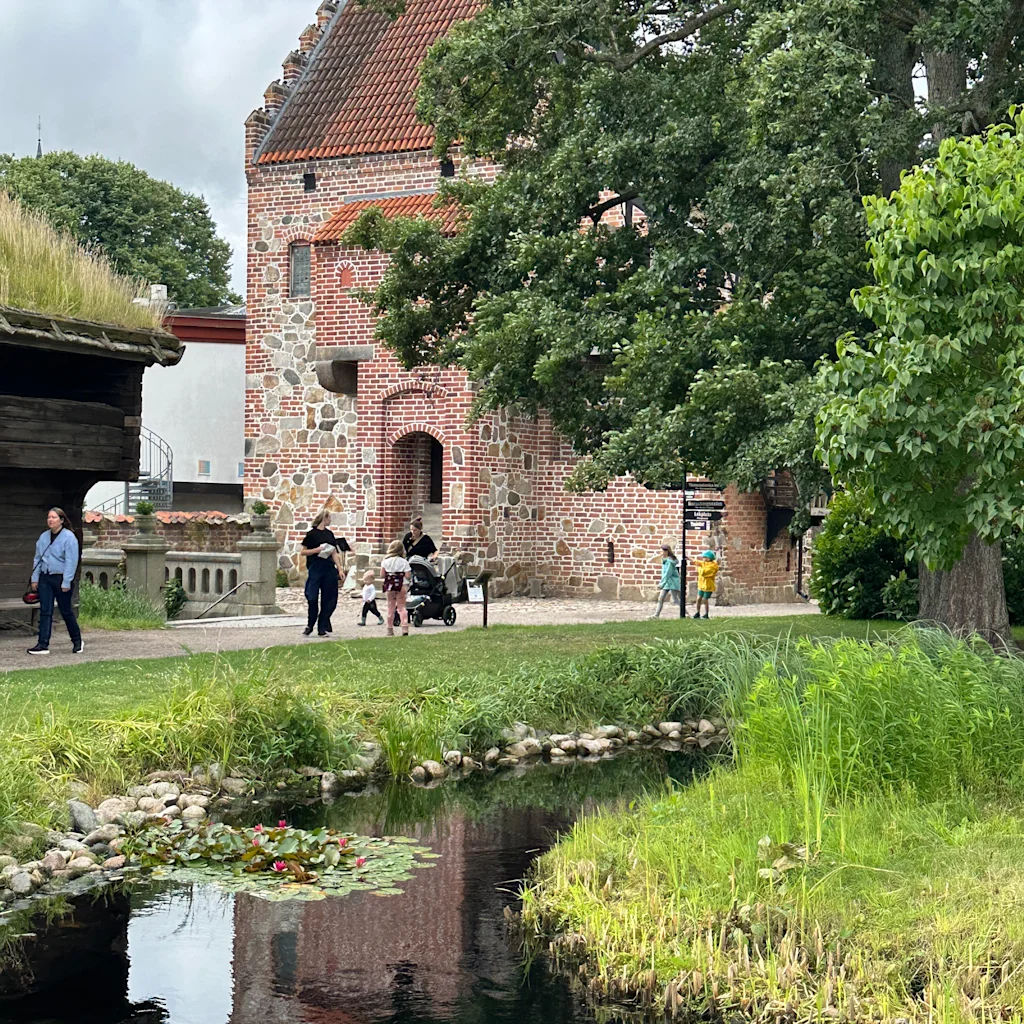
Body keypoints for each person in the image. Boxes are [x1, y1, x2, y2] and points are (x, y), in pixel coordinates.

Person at [27, 507, 83, 655]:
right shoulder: (43, 537)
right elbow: (37, 558)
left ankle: (77, 641)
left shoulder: (69, 537)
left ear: (62, 520)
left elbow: (72, 561)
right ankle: (42, 644)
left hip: (61, 577)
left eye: (54, 517)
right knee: (45, 611)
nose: (50, 520)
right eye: (49, 517)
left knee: (66, 611)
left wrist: (66, 581)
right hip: (45, 577)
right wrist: (35, 578)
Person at [299, 511, 346, 637]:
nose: (330, 520)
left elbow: (334, 552)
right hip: (315, 567)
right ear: (324, 519)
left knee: (330, 598)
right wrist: (317, 550)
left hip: (329, 568)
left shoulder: (329, 534)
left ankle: (322, 625)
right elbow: (303, 552)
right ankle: (310, 623)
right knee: (312, 596)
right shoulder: (311, 534)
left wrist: (340, 569)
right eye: (329, 517)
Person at [381, 539, 412, 637]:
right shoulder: (404, 562)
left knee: (390, 607)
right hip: (401, 585)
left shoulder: (385, 562)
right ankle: (405, 628)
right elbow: (408, 576)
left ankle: (389, 630)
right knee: (402, 607)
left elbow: (382, 575)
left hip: (390, 586)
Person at [651, 543, 681, 619]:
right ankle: (656, 615)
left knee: (675, 600)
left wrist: (662, 584)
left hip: (672, 582)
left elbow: (668, 573)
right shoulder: (665, 560)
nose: (660, 553)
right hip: (667, 583)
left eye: (661, 551)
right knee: (661, 598)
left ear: (666, 551)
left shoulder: (669, 562)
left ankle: (686, 613)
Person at [694, 549, 720, 620]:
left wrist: (699, 568)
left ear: (709, 558)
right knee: (698, 599)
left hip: (708, 586)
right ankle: (697, 613)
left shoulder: (712, 567)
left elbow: (703, 573)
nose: (703, 559)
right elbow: (697, 562)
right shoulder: (704, 564)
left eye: (705, 557)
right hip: (701, 585)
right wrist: (689, 558)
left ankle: (706, 614)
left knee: (705, 600)